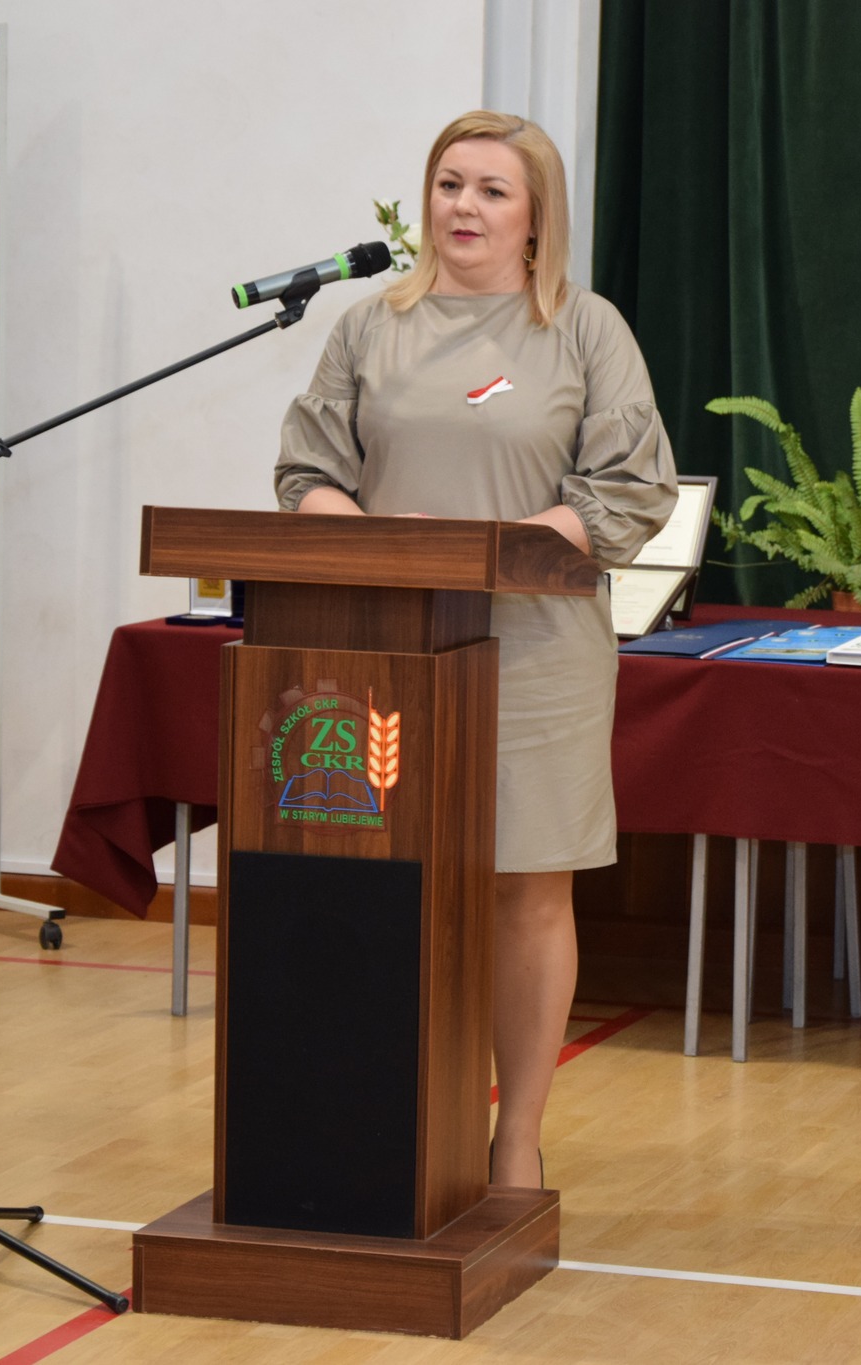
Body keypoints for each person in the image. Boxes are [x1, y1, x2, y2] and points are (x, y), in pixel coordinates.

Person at [274, 110, 678, 1191]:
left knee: (525, 892)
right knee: (383, 887)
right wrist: (368, 541)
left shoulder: (584, 329)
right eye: (449, 183)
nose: (463, 206)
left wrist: (503, 547)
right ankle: (386, 1128)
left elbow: (631, 488)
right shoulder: (370, 326)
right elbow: (308, 471)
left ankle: (515, 1141)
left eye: (492, 190)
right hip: (386, 653)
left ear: (536, 217)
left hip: (535, 651)